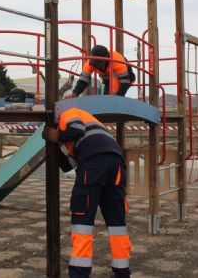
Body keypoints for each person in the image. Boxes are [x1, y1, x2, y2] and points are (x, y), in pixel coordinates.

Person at [43, 107, 131, 278]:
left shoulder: (69, 113)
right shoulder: (91, 125)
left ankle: (79, 274)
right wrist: (55, 144)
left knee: (82, 220)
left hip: (94, 163)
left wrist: (57, 136)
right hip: (116, 163)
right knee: (117, 223)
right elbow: (69, 165)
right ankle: (122, 273)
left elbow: (76, 130)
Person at [65, 45, 133, 98]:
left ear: (106, 58)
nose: (97, 66)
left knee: (113, 97)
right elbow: (83, 80)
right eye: (95, 62)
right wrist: (75, 93)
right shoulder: (90, 63)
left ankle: (114, 98)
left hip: (127, 78)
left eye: (99, 63)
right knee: (105, 97)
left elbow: (125, 82)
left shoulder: (117, 62)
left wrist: (118, 98)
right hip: (107, 79)